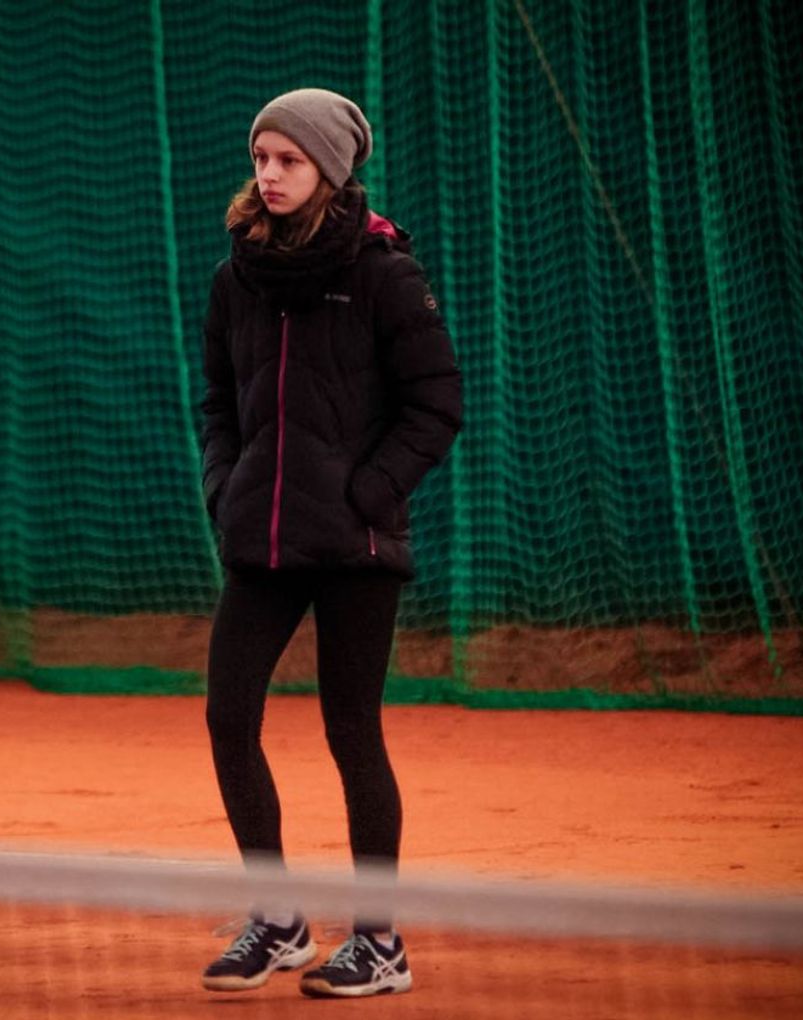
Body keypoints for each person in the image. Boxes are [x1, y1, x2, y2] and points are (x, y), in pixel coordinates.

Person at [197, 87, 462, 999]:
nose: (269, 175)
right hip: (261, 541)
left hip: (355, 548)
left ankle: (380, 943)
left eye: (289, 160)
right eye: (261, 158)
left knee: (352, 730)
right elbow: (218, 402)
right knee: (228, 717)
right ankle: (278, 922)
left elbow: (437, 404)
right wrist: (227, 489)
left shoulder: (385, 274)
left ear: (331, 170)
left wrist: (367, 496)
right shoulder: (236, 278)